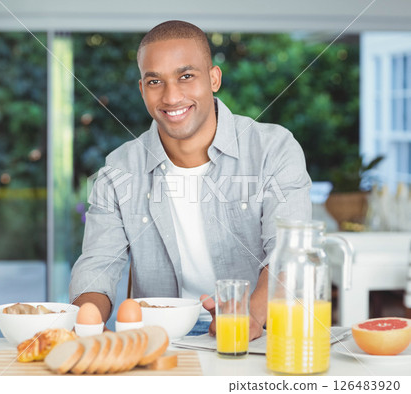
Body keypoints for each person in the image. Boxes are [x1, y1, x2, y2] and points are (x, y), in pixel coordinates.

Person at [69, 20, 311, 340]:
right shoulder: (119, 169)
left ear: (213, 78)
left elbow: (289, 252)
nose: (171, 97)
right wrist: (85, 323)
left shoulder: (274, 150)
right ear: (143, 89)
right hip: (161, 338)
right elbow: (96, 266)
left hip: (264, 330)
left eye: (186, 76)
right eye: (155, 81)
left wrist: (247, 317)